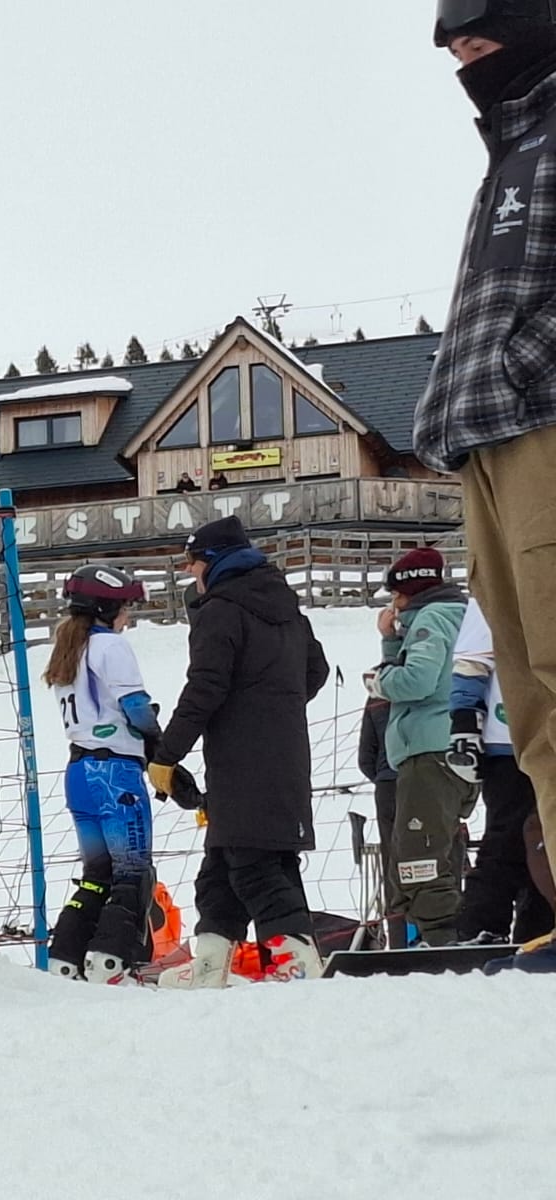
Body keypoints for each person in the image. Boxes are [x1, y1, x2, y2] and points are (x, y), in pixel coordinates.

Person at [419, 0, 556, 971]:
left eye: (479, 37)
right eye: (453, 46)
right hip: (486, 441)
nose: (465, 57)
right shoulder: (512, 150)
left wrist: (521, 367)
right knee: (529, 691)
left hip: (543, 425)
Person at [148, 516, 330, 986]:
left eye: (192, 564)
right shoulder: (287, 608)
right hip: (285, 753)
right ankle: (210, 967)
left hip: (240, 761)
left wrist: (167, 755)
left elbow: (205, 688)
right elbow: (317, 670)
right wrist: (271, 709)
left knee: (253, 866)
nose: (191, 574)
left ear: (211, 561)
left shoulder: (221, 609)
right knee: (225, 867)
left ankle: (296, 965)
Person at [42, 565, 160, 985]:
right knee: (133, 871)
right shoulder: (110, 646)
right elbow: (136, 707)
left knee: (97, 876)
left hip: (79, 773)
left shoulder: (67, 647)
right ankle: (110, 960)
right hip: (115, 774)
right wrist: (157, 740)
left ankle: (66, 958)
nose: (128, 616)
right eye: (125, 607)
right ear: (106, 607)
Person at [364, 547, 473, 946]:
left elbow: (417, 680)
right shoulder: (459, 618)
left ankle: (441, 939)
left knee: (418, 854)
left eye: (395, 596)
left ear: (408, 593)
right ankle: (441, 931)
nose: (392, 605)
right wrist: (391, 643)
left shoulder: (430, 620)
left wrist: (379, 681)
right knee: (435, 849)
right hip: (457, 747)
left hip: (429, 749)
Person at [449, 596, 554, 943]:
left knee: (548, 845)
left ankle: (538, 931)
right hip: (509, 737)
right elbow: (471, 659)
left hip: (542, 735)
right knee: (509, 838)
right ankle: (480, 928)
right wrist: (465, 722)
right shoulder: (501, 582)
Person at [356, 665, 407, 946]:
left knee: (393, 866)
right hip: (428, 783)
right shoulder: (428, 682)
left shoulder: (376, 695)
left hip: (387, 787)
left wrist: (384, 777)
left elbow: (365, 756)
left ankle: (399, 940)